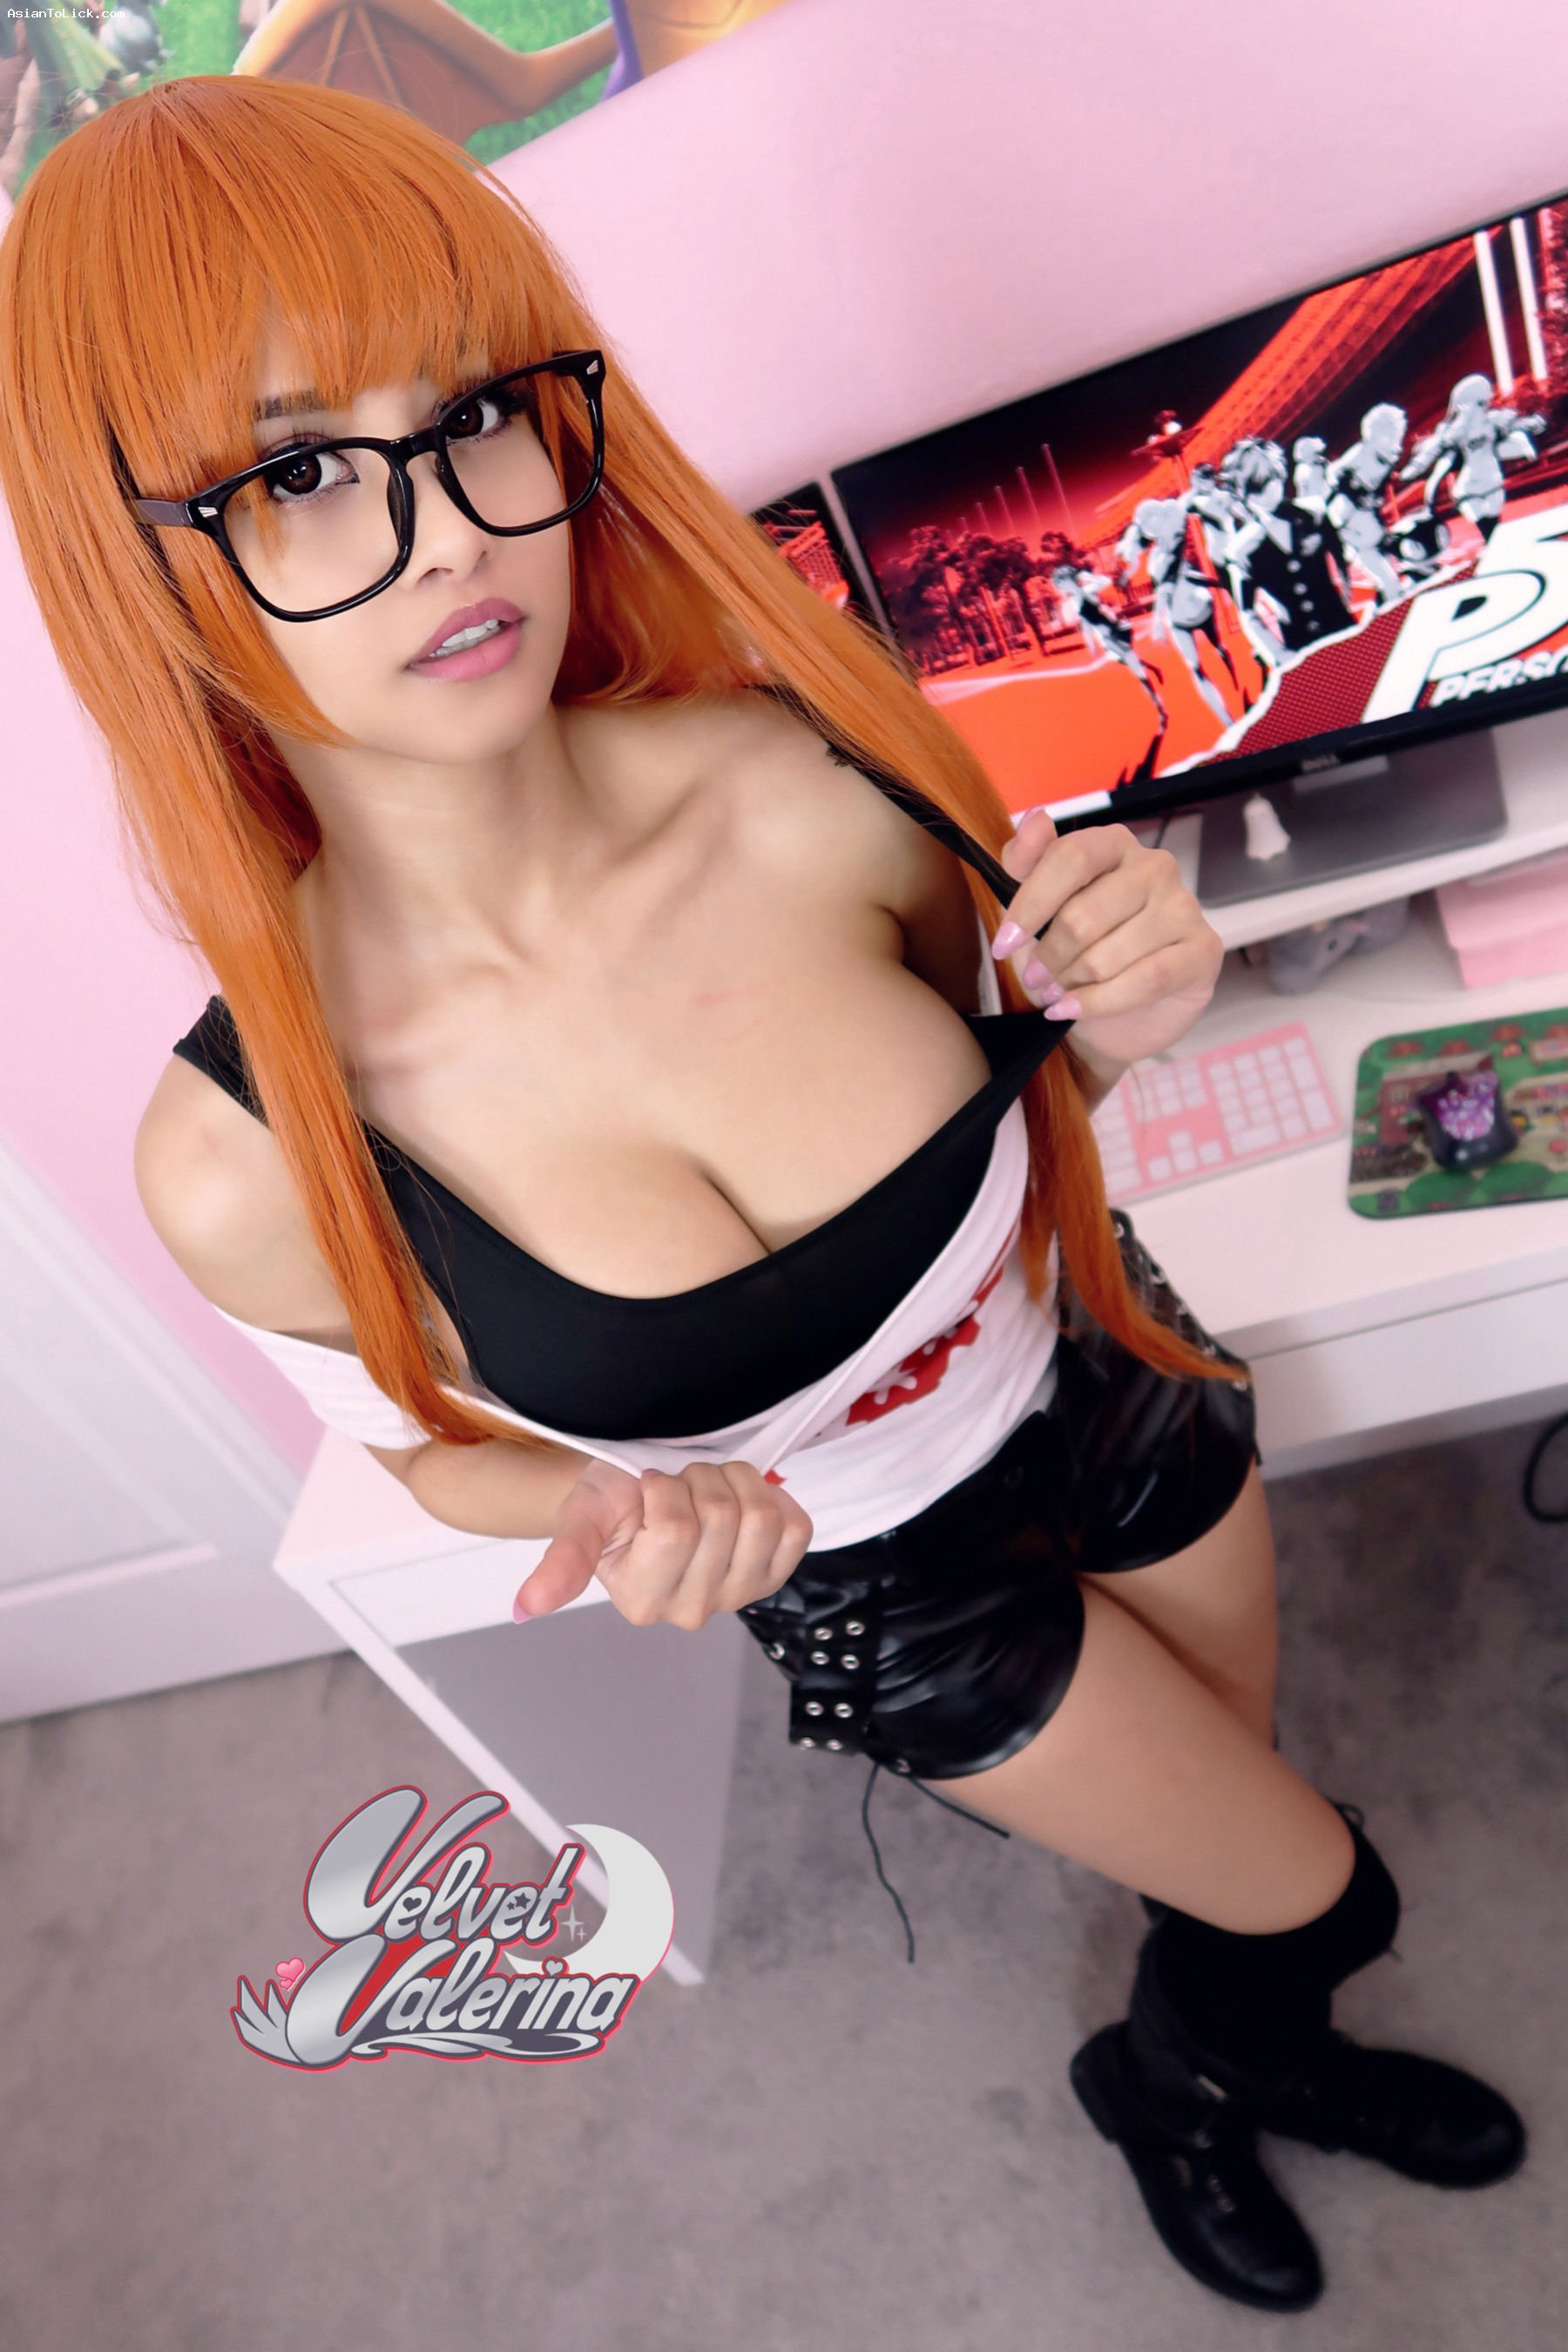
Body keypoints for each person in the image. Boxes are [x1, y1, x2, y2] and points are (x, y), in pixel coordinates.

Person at [0, 73, 1524, 2318]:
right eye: (301, 472)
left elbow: (1010, 1087)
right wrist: (610, 1509)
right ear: (135, 560)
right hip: (879, 1571)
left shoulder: (810, 774)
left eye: (478, 414)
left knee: (1240, 1819)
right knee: (1319, 1881)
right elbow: (426, 1451)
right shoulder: (245, 1156)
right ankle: (1171, 2083)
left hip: (1109, 1364)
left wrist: (1124, 1004)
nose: (455, 537)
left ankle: (1213, 2060)